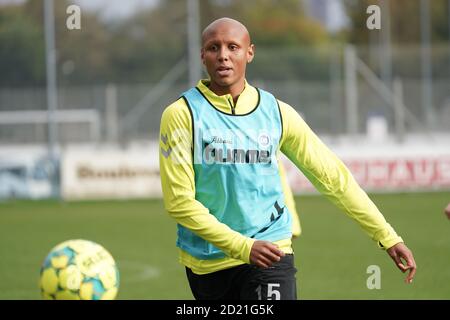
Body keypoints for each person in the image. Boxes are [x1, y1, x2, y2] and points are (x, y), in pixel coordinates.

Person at [159, 17, 416, 300]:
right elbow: (180, 203)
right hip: (207, 263)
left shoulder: (277, 113)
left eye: (233, 47)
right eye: (213, 48)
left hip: (271, 251)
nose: (223, 56)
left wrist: (387, 235)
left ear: (249, 53)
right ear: (202, 55)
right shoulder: (182, 114)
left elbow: (333, 177)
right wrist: (243, 246)